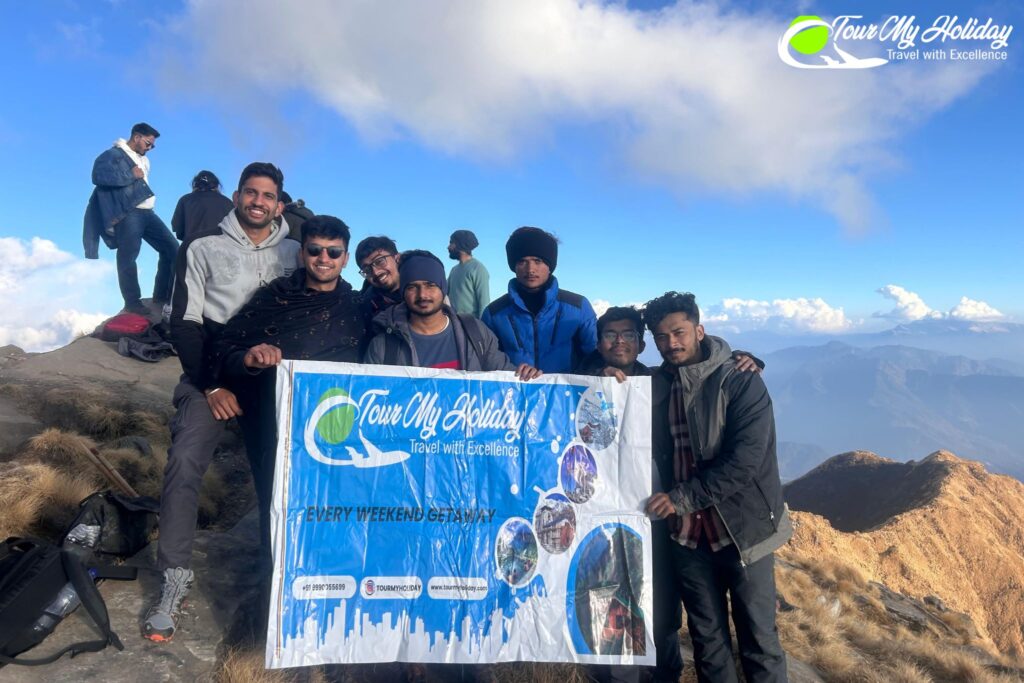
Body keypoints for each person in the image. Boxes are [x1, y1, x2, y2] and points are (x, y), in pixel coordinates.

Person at [144, 162, 300, 643]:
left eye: (267, 195)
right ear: (236, 196)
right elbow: (184, 322)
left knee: (284, 475)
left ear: (279, 203)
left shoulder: (297, 251)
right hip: (211, 374)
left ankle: (284, 580)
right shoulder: (201, 247)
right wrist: (212, 384)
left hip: (271, 378)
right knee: (186, 460)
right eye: (250, 193)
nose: (258, 202)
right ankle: (173, 578)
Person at [213, 215, 365, 629]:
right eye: (315, 250)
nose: (323, 259)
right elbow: (226, 347)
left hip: (337, 436)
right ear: (302, 254)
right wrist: (249, 357)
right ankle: (279, 612)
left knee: (335, 517)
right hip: (276, 430)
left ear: (345, 258)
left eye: (333, 252)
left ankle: (336, 610)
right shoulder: (273, 297)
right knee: (278, 515)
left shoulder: (359, 307)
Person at [643, 292, 791, 683]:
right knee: (708, 644)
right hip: (689, 539)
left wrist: (680, 498)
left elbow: (746, 462)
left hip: (742, 532)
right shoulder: (656, 385)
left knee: (759, 641)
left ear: (699, 329)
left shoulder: (739, 380)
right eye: (661, 337)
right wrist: (608, 376)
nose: (671, 343)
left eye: (679, 332)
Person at [365, 249, 540, 378]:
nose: (422, 295)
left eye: (430, 285)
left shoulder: (475, 333)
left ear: (443, 288)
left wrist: (525, 375)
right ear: (403, 292)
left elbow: (504, 376)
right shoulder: (383, 346)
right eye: (412, 287)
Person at [84, 122, 179, 315]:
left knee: (172, 249)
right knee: (128, 257)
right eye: (148, 143)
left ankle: (160, 296)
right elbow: (97, 176)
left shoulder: (145, 160)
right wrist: (130, 175)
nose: (150, 148)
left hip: (148, 212)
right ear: (136, 137)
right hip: (129, 213)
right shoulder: (113, 154)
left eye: (153, 145)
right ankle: (132, 302)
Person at [481, 226, 597, 373]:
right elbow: (486, 359)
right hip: (514, 392)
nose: (530, 269)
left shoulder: (578, 307)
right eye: (522, 261)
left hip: (566, 393)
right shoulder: (494, 313)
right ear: (514, 266)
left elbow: (594, 356)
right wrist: (514, 372)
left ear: (550, 265)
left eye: (538, 260)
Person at [355, 235, 403, 330]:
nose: (376, 272)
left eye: (379, 261)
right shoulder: (364, 310)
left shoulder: (427, 290)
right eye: (367, 269)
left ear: (398, 258)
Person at [171, 170, 234, 241]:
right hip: (224, 249)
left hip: (192, 248)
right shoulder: (228, 203)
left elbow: (179, 232)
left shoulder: (185, 200)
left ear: (195, 185)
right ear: (216, 186)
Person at [446, 229, 490, 317]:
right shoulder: (453, 270)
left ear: (460, 245)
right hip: (454, 324)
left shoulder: (478, 269)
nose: (448, 247)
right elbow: (443, 294)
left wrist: (482, 329)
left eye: (451, 243)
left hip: (472, 326)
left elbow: (484, 303)